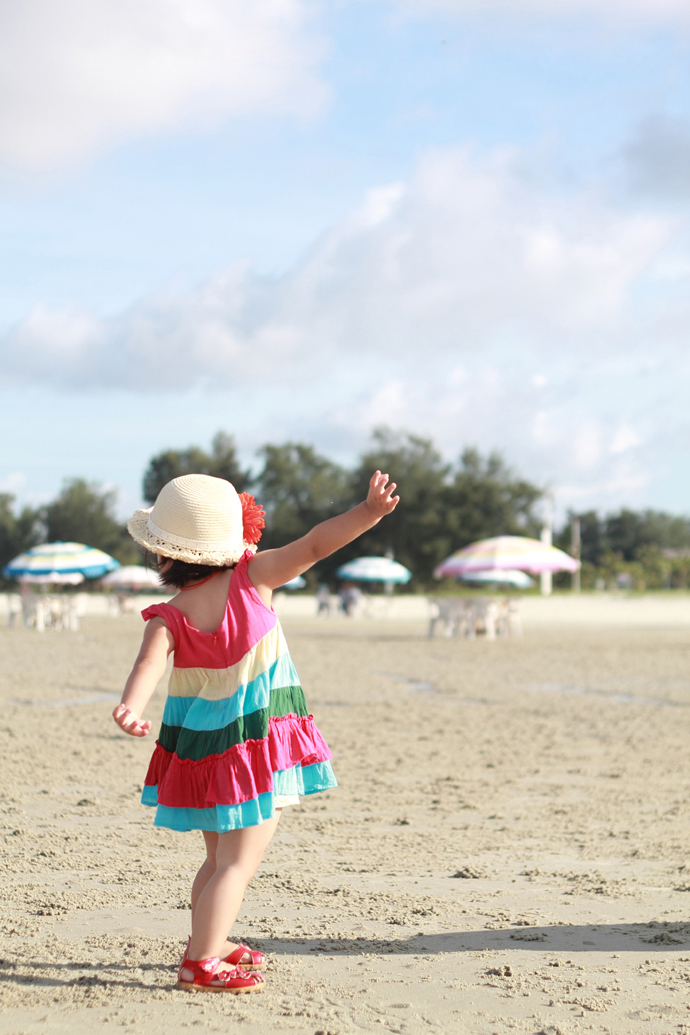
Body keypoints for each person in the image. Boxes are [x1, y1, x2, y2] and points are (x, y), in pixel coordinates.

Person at [112, 469, 399, 994]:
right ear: (231, 539)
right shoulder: (255, 576)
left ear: (164, 556)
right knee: (238, 864)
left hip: (201, 752)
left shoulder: (168, 616)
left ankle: (211, 943)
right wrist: (368, 513)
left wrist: (131, 708)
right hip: (251, 750)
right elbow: (315, 544)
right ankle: (200, 963)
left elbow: (146, 669)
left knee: (218, 859)